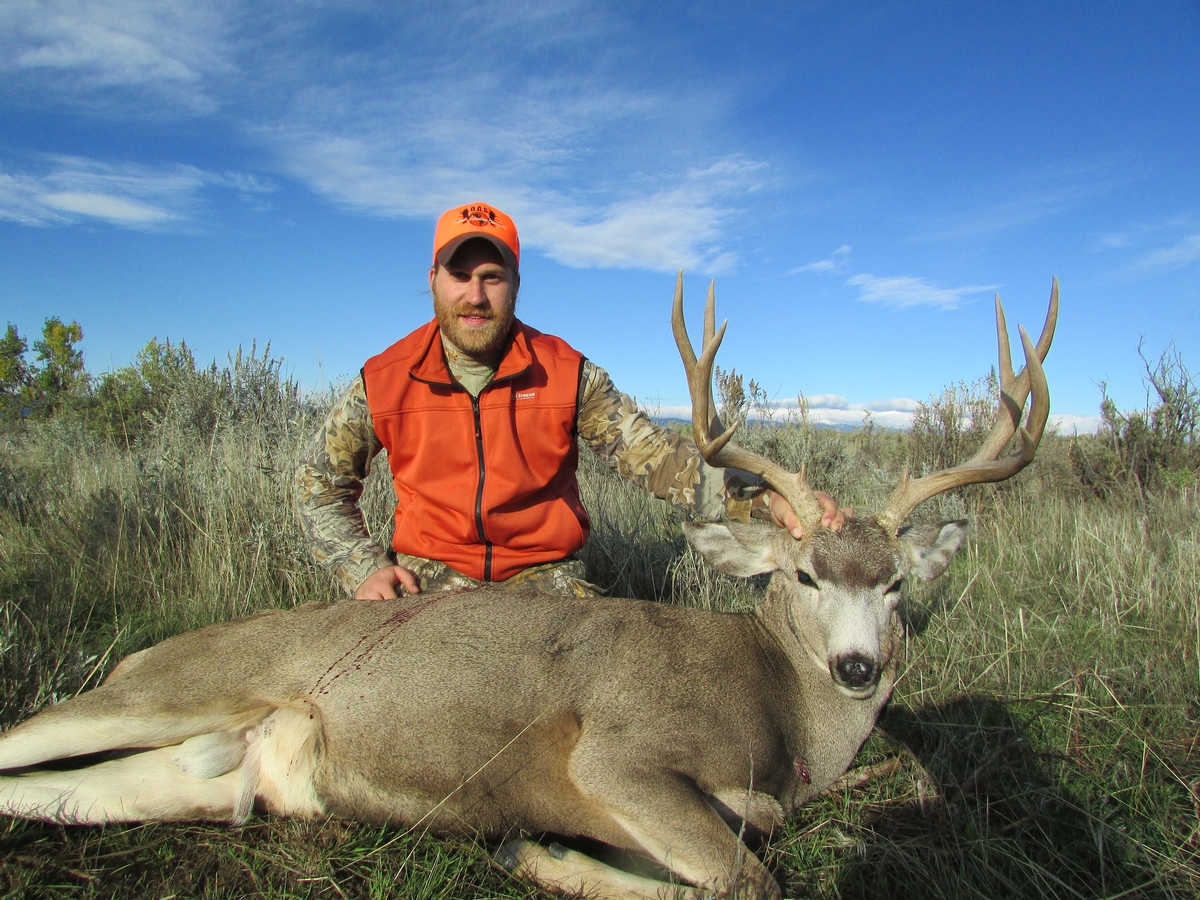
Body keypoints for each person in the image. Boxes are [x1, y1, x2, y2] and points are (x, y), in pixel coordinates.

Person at [296, 201, 843, 600]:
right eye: (459, 275)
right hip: (427, 581)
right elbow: (315, 483)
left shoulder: (566, 375)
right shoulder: (386, 379)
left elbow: (662, 462)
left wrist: (767, 499)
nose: (475, 296)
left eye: (492, 277)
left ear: (516, 282)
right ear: (433, 278)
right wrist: (360, 564)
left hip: (546, 583)